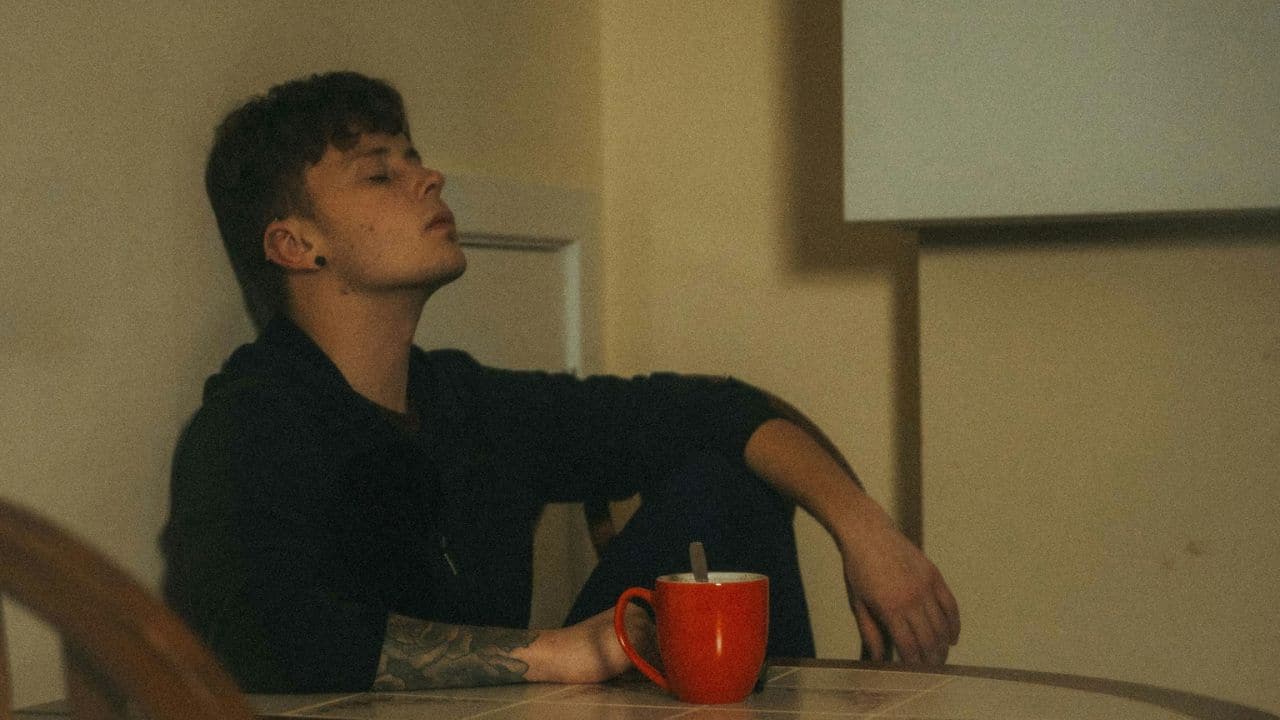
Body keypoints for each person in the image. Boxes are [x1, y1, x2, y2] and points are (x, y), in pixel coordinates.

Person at [160, 71, 960, 694]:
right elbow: (250, 630)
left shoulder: (466, 403)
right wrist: (561, 653)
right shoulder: (254, 419)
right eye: (380, 173)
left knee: (729, 484)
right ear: (296, 244)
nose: (428, 177)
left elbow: (719, 410)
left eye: (414, 157)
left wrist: (864, 528)